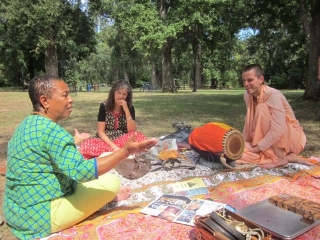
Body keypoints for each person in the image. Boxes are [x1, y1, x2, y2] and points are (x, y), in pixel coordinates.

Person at [3, 75, 157, 240]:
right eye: (65, 95)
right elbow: (81, 172)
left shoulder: (26, 124)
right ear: (44, 101)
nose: (71, 100)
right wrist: (124, 152)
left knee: (98, 179)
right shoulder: (52, 132)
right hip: (39, 217)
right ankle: (108, 198)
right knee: (112, 182)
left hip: (15, 211)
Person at [236, 64, 314, 169]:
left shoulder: (273, 95)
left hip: (293, 138)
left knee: (262, 108)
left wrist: (257, 147)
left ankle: (281, 158)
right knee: (232, 153)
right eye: (244, 80)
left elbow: (279, 130)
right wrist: (245, 144)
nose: (246, 84)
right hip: (269, 137)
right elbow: (252, 121)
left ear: (261, 79)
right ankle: (289, 156)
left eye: (250, 80)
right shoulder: (247, 95)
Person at [79, 80, 147, 159]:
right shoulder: (104, 106)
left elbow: (132, 131)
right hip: (106, 140)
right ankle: (119, 151)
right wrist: (113, 147)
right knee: (87, 145)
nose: (121, 96)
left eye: (124, 94)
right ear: (113, 93)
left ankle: (112, 152)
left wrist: (126, 110)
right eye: (119, 93)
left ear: (127, 96)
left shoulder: (130, 107)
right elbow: (101, 131)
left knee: (139, 137)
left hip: (122, 139)